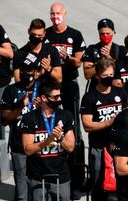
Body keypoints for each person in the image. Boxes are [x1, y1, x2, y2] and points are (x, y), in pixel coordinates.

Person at [20, 80, 75, 201]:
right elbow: (28, 149)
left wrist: (59, 138)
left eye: (60, 96)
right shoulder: (30, 118)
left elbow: (71, 147)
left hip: (61, 175)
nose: (58, 100)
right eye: (54, 97)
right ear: (43, 98)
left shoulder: (65, 115)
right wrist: (48, 139)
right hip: (37, 176)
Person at [80, 58, 128, 201]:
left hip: (118, 148)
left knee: (119, 187)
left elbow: (127, 116)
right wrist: (109, 122)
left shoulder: (119, 92)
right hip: (99, 148)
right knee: (99, 185)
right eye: (105, 75)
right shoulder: (90, 97)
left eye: (111, 75)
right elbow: (87, 125)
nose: (109, 78)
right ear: (98, 76)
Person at [0, 64, 41, 201]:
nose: (27, 76)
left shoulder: (44, 89)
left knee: (41, 192)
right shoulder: (11, 90)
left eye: (31, 73)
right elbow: (4, 119)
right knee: (22, 192)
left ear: (38, 73)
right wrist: (20, 105)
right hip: (19, 149)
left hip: (41, 149)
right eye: (24, 72)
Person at [44, 2, 86, 133]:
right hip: (50, 82)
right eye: (52, 14)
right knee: (49, 114)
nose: (55, 17)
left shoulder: (75, 35)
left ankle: (75, 145)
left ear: (64, 14)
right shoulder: (45, 34)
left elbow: (79, 62)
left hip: (69, 81)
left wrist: (68, 58)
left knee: (72, 116)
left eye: (58, 13)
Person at [82, 18, 126, 90]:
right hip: (96, 90)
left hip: (115, 91)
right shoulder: (91, 49)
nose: (105, 36)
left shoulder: (121, 50)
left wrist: (109, 59)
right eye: (102, 34)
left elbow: (122, 73)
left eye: (108, 33)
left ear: (113, 32)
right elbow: (87, 75)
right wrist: (101, 62)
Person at [13, 18, 61, 83]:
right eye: (33, 35)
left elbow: (59, 79)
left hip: (46, 91)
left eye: (39, 35)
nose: (36, 37)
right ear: (29, 31)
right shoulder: (19, 54)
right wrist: (34, 77)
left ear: (44, 34)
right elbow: (18, 82)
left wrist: (48, 68)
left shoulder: (52, 51)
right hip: (29, 92)